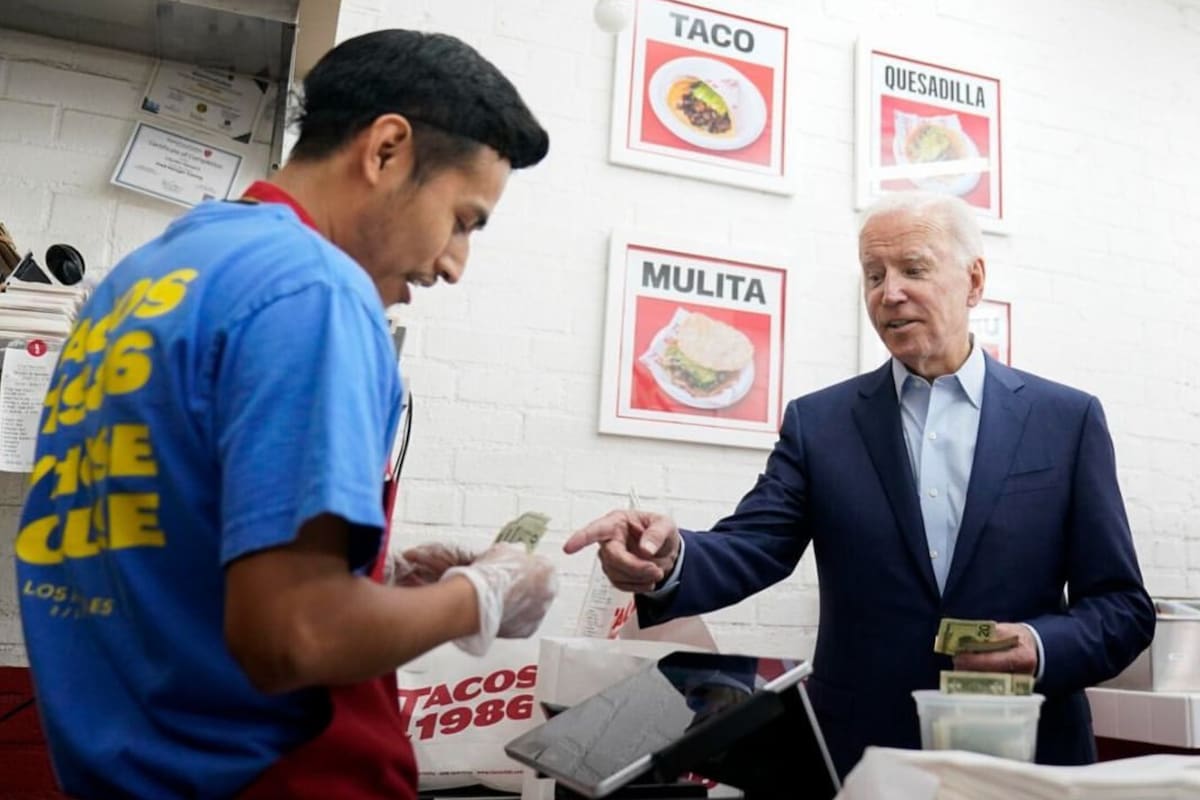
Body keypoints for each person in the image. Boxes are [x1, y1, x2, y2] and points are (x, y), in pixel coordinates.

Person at [15, 29, 557, 799]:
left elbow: (169, 543)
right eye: (464, 220)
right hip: (271, 776)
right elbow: (293, 639)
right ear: (386, 150)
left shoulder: (143, 280)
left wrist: (372, 577)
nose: (453, 264)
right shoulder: (315, 291)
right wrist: (483, 595)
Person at [565, 190, 1155, 779]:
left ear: (974, 281)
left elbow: (1122, 607)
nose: (888, 292)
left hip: (1027, 753)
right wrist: (669, 558)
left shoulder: (1066, 419)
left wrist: (1039, 645)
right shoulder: (820, 423)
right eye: (873, 275)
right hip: (863, 754)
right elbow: (753, 545)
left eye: (913, 270)